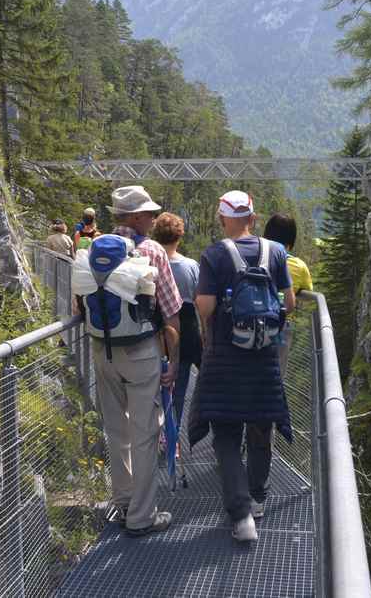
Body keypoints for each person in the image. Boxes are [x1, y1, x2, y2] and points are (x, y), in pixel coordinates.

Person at [189, 190, 295, 543]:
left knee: (227, 433)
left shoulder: (215, 254)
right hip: (264, 358)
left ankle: (241, 515)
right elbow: (289, 302)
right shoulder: (276, 252)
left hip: (224, 359)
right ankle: (259, 497)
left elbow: (204, 308)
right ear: (253, 216)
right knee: (261, 425)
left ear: (222, 219)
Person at [83, 186, 182, 537]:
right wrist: (173, 360)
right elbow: (171, 312)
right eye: (149, 213)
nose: (154, 219)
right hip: (141, 352)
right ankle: (142, 516)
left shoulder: (95, 248)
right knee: (144, 433)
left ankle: (122, 502)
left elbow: (79, 304)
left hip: (102, 350)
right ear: (135, 217)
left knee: (116, 429)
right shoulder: (152, 250)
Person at [152, 212, 201, 429]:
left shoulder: (149, 263)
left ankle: (152, 430)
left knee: (153, 382)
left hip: (157, 327)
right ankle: (173, 434)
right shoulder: (191, 265)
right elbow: (200, 299)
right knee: (179, 385)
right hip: (187, 327)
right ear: (179, 236)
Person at [262, 213, 312, 372]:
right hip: (282, 323)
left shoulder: (256, 256)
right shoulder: (299, 266)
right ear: (291, 240)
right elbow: (309, 293)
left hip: (252, 320)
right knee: (276, 373)